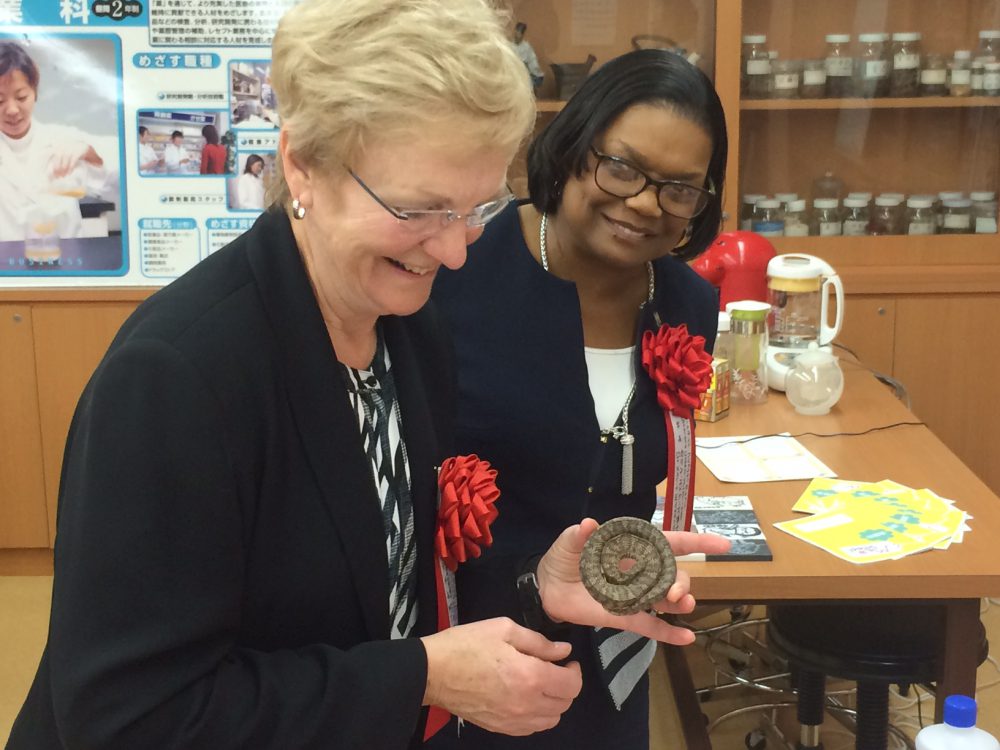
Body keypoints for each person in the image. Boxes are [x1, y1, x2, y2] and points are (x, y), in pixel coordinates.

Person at [6, 5, 725, 749]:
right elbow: (129, 717)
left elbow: (384, 582)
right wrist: (422, 678)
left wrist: (534, 586)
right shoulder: (179, 377)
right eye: (417, 210)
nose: (452, 253)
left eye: (476, 209)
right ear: (300, 166)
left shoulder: (405, 332)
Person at [430, 48, 730, 749]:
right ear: (571, 149)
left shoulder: (686, 303)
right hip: (467, 651)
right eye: (621, 168)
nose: (646, 203)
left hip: (611, 645)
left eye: (679, 189)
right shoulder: (457, 273)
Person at [0, 40, 118, 241]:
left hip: (65, 265)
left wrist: (91, 154)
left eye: (21, 97)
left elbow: (124, 183)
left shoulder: (63, 140)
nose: (12, 110)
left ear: (34, 91)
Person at [512, 22, 544, 89]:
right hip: (511, 74)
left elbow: (533, 62)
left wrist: (536, 73)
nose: (517, 35)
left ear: (522, 35)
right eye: (516, 31)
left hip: (523, 75)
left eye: (519, 33)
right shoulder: (509, 45)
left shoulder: (527, 47)